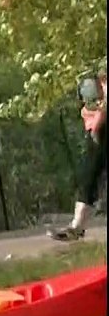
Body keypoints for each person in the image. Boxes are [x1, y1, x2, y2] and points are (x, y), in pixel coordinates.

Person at [50, 69, 107, 241]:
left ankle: (77, 227)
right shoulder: (91, 71)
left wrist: (97, 125)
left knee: (89, 176)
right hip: (96, 127)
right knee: (89, 177)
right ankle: (77, 227)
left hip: (102, 129)